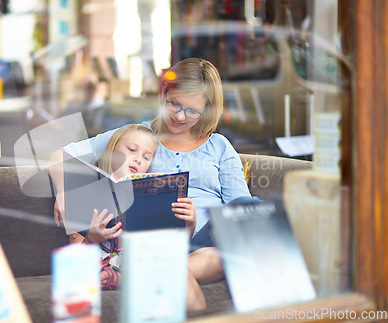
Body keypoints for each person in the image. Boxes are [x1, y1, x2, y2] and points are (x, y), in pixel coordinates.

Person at [48, 58, 253, 311]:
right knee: (227, 260)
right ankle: (159, 268)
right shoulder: (137, 139)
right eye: (174, 104)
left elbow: (242, 211)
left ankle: (150, 271)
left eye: (192, 111)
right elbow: (61, 155)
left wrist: (193, 222)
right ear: (164, 93)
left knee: (246, 213)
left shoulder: (219, 146)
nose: (179, 116)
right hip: (157, 244)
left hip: (206, 240)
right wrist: (63, 192)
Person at [61, 124, 197, 290]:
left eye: (147, 158)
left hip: (147, 264)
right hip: (98, 270)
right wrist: (91, 239)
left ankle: (127, 279)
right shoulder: (85, 191)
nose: (138, 159)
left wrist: (189, 224)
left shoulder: (152, 193)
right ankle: (119, 278)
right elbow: (74, 263)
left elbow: (174, 248)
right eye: (132, 149)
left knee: (208, 257)